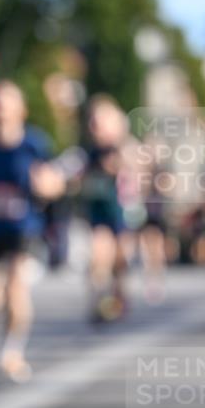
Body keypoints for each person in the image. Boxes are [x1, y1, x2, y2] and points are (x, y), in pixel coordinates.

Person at [0, 80, 65, 382]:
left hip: (23, 227)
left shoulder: (35, 143)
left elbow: (55, 182)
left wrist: (47, 185)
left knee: (16, 287)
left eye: (6, 102)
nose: (0, 109)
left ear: (21, 109)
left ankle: (12, 351)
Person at [80, 96, 129, 321]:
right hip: (98, 212)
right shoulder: (89, 153)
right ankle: (98, 299)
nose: (96, 127)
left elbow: (137, 165)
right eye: (93, 122)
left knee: (120, 259)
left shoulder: (122, 148)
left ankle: (119, 294)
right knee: (99, 255)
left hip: (121, 212)